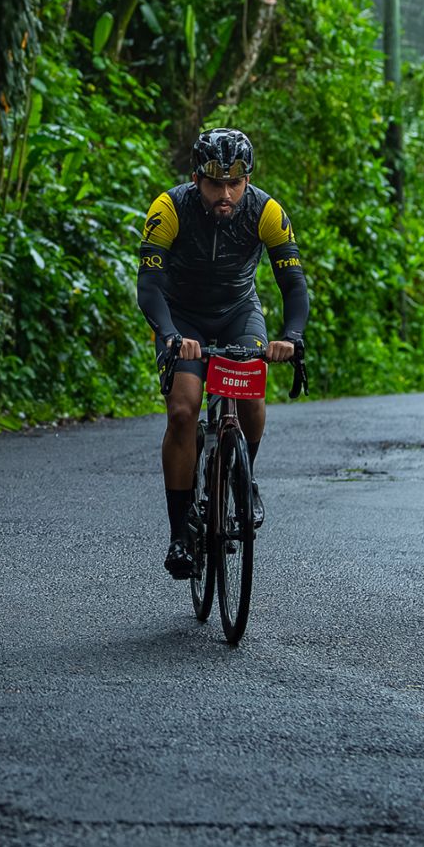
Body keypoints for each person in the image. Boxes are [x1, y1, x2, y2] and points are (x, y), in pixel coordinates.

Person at [136, 128, 308, 580]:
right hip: (183, 319)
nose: (225, 193)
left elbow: (293, 283)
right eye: (215, 183)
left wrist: (290, 336)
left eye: (235, 183)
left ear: (248, 180)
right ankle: (179, 535)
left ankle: (240, 474)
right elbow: (150, 287)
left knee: (251, 398)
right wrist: (170, 335)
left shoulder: (267, 211)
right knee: (183, 409)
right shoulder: (169, 208)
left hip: (239, 314)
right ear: (197, 178)